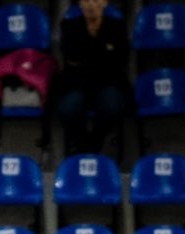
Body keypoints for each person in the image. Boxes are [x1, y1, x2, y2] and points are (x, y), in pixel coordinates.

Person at [53, 0, 130, 156]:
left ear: (104, 3)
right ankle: (82, 143)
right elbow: (70, 55)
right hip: (76, 81)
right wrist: (104, 50)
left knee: (112, 106)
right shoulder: (70, 25)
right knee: (68, 107)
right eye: (86, 1)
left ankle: (95, 141)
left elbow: (120, 59)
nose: (90, 5)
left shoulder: (116, 25)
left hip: (109, 80)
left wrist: (90, 49)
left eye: (95, 0)